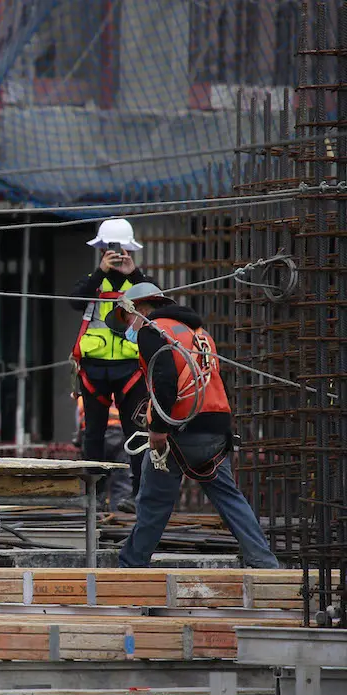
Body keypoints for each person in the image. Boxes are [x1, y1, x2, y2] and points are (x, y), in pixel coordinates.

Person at [108, 283, 280, 568]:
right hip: (215, 429)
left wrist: (158, 430)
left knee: (153, 503)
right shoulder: (199, 334)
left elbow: (164, 380)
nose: (129, 326)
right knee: (230, 499)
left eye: (127, 318)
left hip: (178, 431)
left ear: (139, 308)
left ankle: (131, 565)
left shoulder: (153, 331)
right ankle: (264, 562)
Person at [70, 218, 152, 513]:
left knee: (135, 433)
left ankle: (138, 494)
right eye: (111, 249)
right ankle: (94, 495)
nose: (117, 254)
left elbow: (160, 304)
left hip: (130, 368)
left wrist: (136, 274)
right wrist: (100, 271)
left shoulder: (139, 283)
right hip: (95, 369)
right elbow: (75, 301)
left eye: (121, 249)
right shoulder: (94, 280)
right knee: (93, 433)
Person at [74, 396, 133, 511]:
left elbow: (79, 423)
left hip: (94, 439)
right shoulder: (122, 391)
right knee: (122, 482)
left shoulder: (85, 396)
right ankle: (118, 516)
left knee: (94, 482)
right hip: (119, 436)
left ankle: (95, 515)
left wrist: (79, 441)